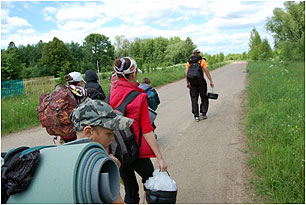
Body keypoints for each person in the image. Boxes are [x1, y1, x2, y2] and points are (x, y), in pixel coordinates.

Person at [108, 57, 168, 204]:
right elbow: (147, 129)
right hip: (135, 151)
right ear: (133, 73)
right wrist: (159, 157)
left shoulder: (113, 91)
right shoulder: (139, 96)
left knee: (130, 191)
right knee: (154, 183)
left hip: (117, 150)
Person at [70, 99, 133, 204]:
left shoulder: (68, 156)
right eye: (109, 133)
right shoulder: (96, 165)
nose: (113, 138)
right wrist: (113, 173)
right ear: (89, 131)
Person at [185, 49, 214, 122]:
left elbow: (186, 73)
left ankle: (196, 116)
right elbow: (206, 71)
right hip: (201, 82)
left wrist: (187, 83)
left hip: (192, 83)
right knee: (204, 97)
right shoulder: (202, 61)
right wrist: (211, 81)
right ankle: (203, 113)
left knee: (194, 99)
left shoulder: (189, 62)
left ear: (192, 54)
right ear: (198, 53)